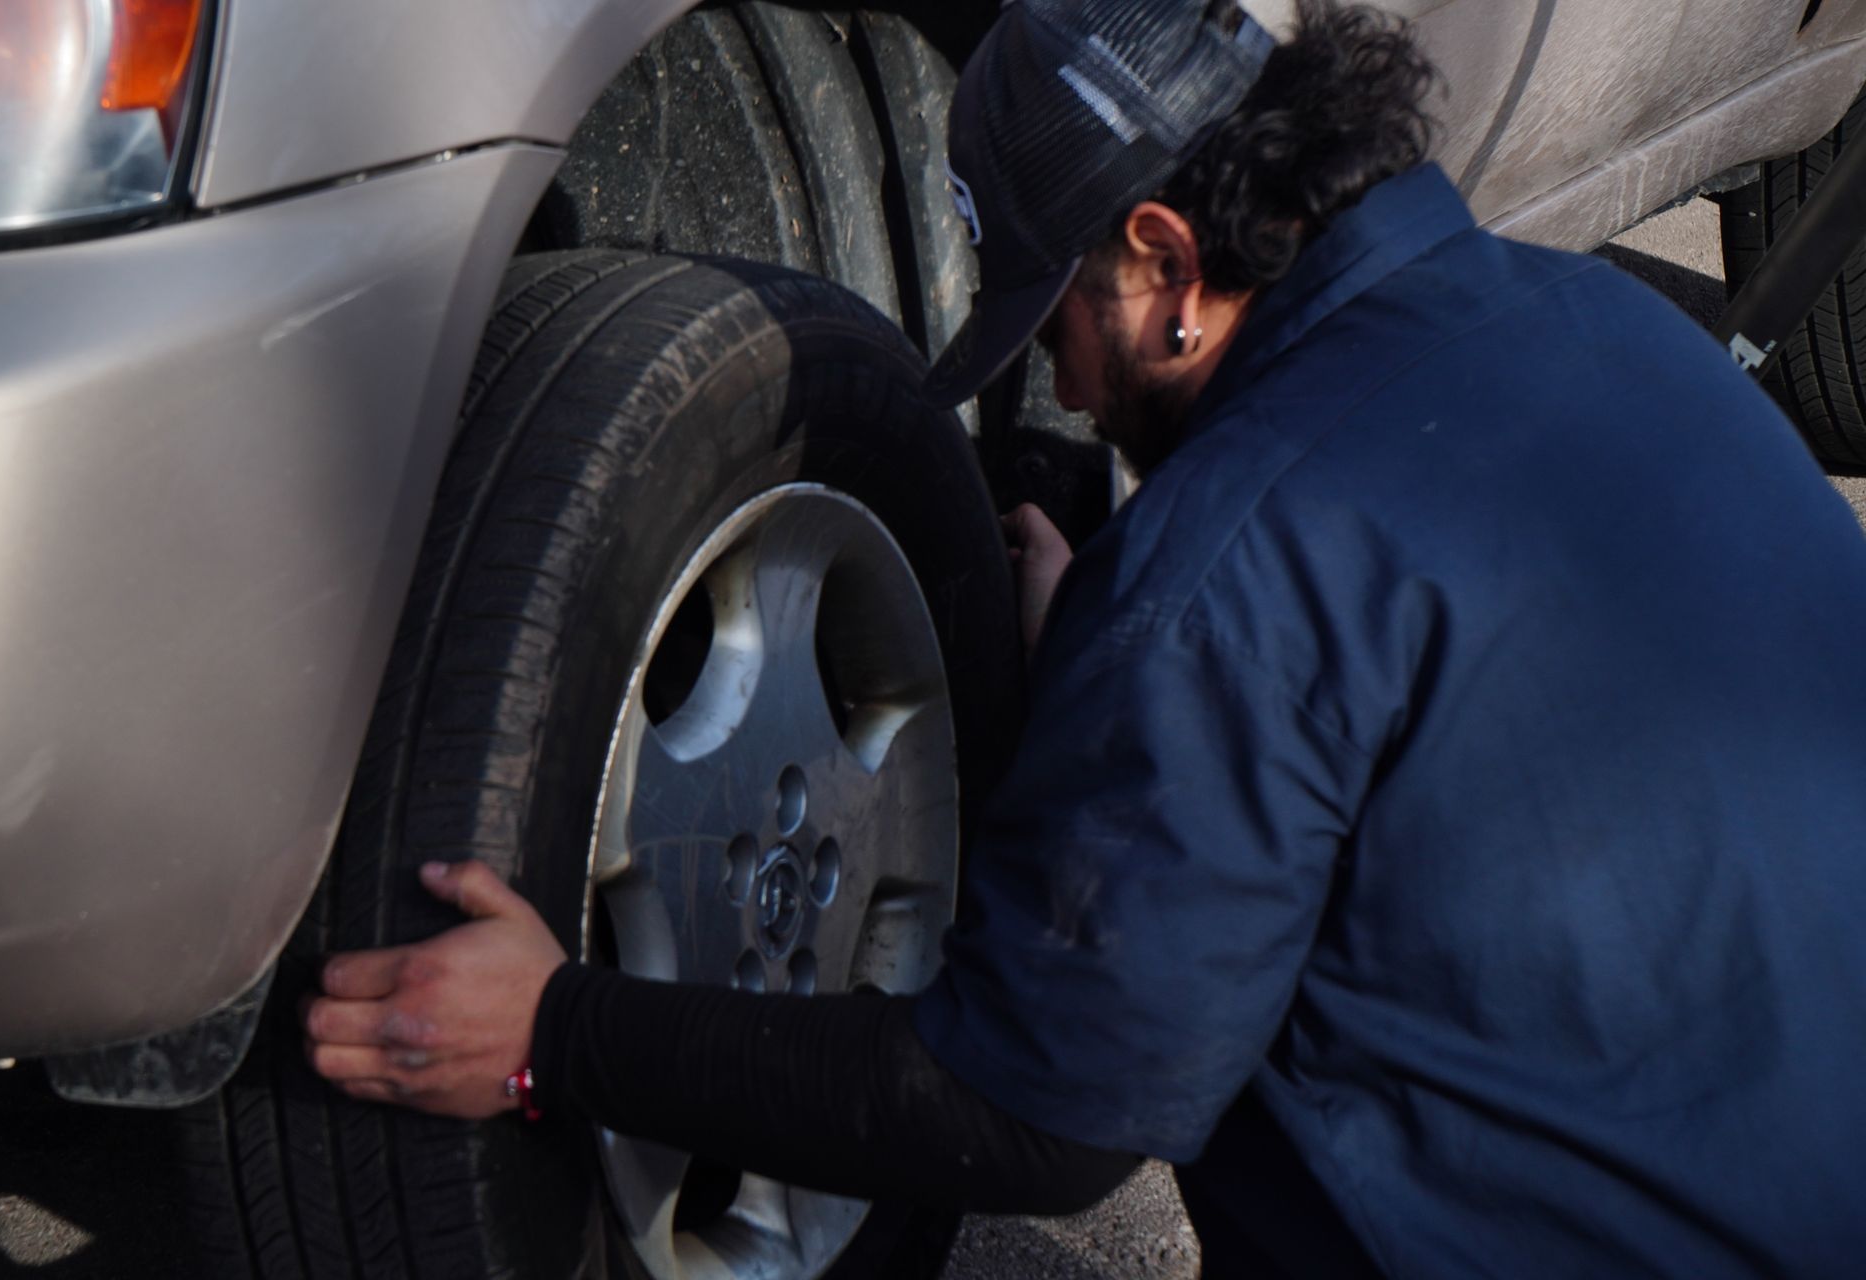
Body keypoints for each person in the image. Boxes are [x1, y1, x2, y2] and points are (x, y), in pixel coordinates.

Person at [302, 1, 1866, 1274]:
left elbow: (1036, 1116)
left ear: (1171, 265)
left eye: (1060, 309)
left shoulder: (1230, 587)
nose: (1056, 367)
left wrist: (559, 1032)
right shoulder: (1605, 327)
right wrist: (1130, 658)